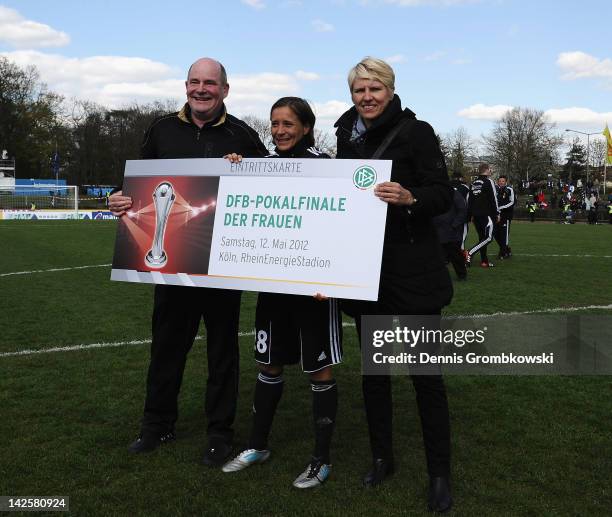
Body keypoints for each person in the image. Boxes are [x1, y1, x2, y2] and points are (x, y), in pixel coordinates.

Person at [108, 58, 268, 465]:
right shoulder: (161, 129)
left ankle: (220, 433)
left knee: (222, 353)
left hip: (220, 264)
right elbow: (137, 181)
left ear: (225, 90)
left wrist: (247, 171)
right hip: (171, 263)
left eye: (210, 83)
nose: (202, 89)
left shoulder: (244, 135)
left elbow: (273, 183)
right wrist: (117, 196)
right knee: (166, 348)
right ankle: (156, 425)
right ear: (185, 86)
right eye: (195, 82)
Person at [334, 57, 453, 513]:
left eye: (374, 89)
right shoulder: (345, 132)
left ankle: (439, 472)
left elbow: (443, 193)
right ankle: (382, 456)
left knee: (426, 376)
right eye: (359, 90)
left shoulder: (416, 132)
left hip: (414, 269)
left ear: (389, 89)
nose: (366, 97)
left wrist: (410, 196)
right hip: (367, 270)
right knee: (375, 374)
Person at [221, 97, 342, 489]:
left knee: (319, 371)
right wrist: (238, 170)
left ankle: (320, 460)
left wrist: (336, 276)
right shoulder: (263, 164)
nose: (279, 131)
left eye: (288, 123)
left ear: (306, 127)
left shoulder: (326, 165)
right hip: (274, 287)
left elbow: (343, 223)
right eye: (274, 124)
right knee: (268, 365)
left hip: (314, 292)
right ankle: (258, 445)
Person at [467, 163, 499, 267]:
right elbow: (494, 198)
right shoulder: (489, 181)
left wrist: (471, 214)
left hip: (476, 216)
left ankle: (484, 261)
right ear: (486, 170)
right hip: (487, 214)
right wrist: (497, 213)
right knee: (489, 237)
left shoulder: (473, 182)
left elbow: (469, 200)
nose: (491, 171)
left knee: (482, 238)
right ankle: (470, 252)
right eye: (490, 169)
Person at [434, 187, 468, 280]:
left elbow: (462, 209)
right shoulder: (434, 194)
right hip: (437, 229)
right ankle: (437, 276)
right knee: (437, 255)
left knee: (455, 254)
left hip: (451, 230)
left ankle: (462, 274)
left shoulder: (453, 193)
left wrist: (455, 224)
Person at [450, 172, 470, 257]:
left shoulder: (447, 186)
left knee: (448, 235)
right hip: (461, 216)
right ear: (460, 178)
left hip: (448, 216)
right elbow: (468, 201)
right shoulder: (464, 187)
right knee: (462, 235)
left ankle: (447, 256)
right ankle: (460, 255)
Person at [494, 175, 515, 259]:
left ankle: (502, 253)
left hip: (506, 216)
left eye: (503, 181)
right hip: (496, 216)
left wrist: (501, 207)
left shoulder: (509, 190)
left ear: (506, 182)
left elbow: (512, 202)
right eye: (500, 181)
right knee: (495, 233)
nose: (501, 182)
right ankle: (506, 249)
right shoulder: (496, 190)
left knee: (504, 235)